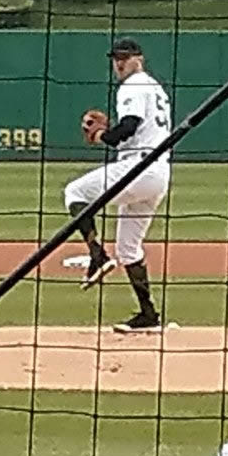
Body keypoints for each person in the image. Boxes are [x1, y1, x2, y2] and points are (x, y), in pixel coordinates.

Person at [64, 38, 172, 333]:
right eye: (116, 58)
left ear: (139, 58)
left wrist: (102, 135)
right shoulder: (154, 87)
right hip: (158, 172)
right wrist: (111, 132)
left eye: (125, 57)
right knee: (129, 248)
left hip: (137, 167)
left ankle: (97, 254)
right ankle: (149, 314)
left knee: (74, 192)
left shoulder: (133, 85)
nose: (119, 62)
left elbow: (129, 128)